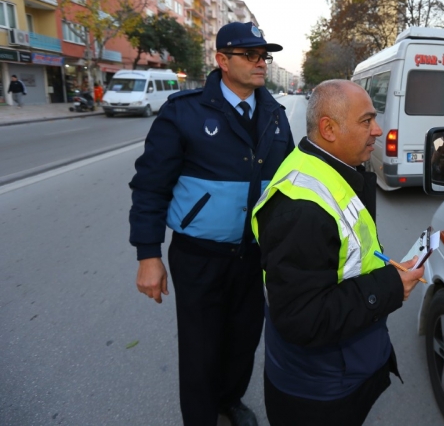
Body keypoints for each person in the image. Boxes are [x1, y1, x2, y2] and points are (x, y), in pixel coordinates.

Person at [130, 21, 294, 426]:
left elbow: (289, 184)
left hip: (253, 256)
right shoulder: (184, 112)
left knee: (243, 340)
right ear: (222, 60)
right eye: (249, 55)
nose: (261, 63)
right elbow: (150, 186)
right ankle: (201, 418)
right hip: (199, 256)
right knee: (201, 347)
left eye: (264, 56)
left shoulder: (274, 114)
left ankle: (229, 401)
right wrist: (148, 255)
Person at [251, 79, 425, 426]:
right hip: (318, 392)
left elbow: (339, 255)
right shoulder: (300, 209)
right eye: (366, 121)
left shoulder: (331, 168)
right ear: (328, 129)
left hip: (336, 371)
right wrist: (388, 287)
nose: (377, 130)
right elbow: (303, 318)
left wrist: (381, 270)